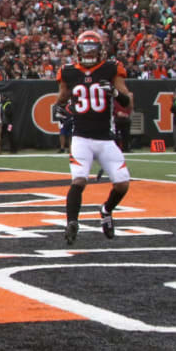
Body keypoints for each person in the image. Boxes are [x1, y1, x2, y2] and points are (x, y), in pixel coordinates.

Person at [55, 30, 133, 245]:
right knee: (79, 180)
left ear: (101, 51)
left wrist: (116, 94)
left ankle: (106, 210)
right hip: (81, 137)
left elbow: (127, 102)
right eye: (85, 48)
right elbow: (61, 99)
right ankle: (72, 222)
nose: (89, 53)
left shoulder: (110, 69)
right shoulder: (68, 72)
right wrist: (59, 108)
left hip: (105, 138)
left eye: (93, 48)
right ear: (78, 50)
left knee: (122, 184)